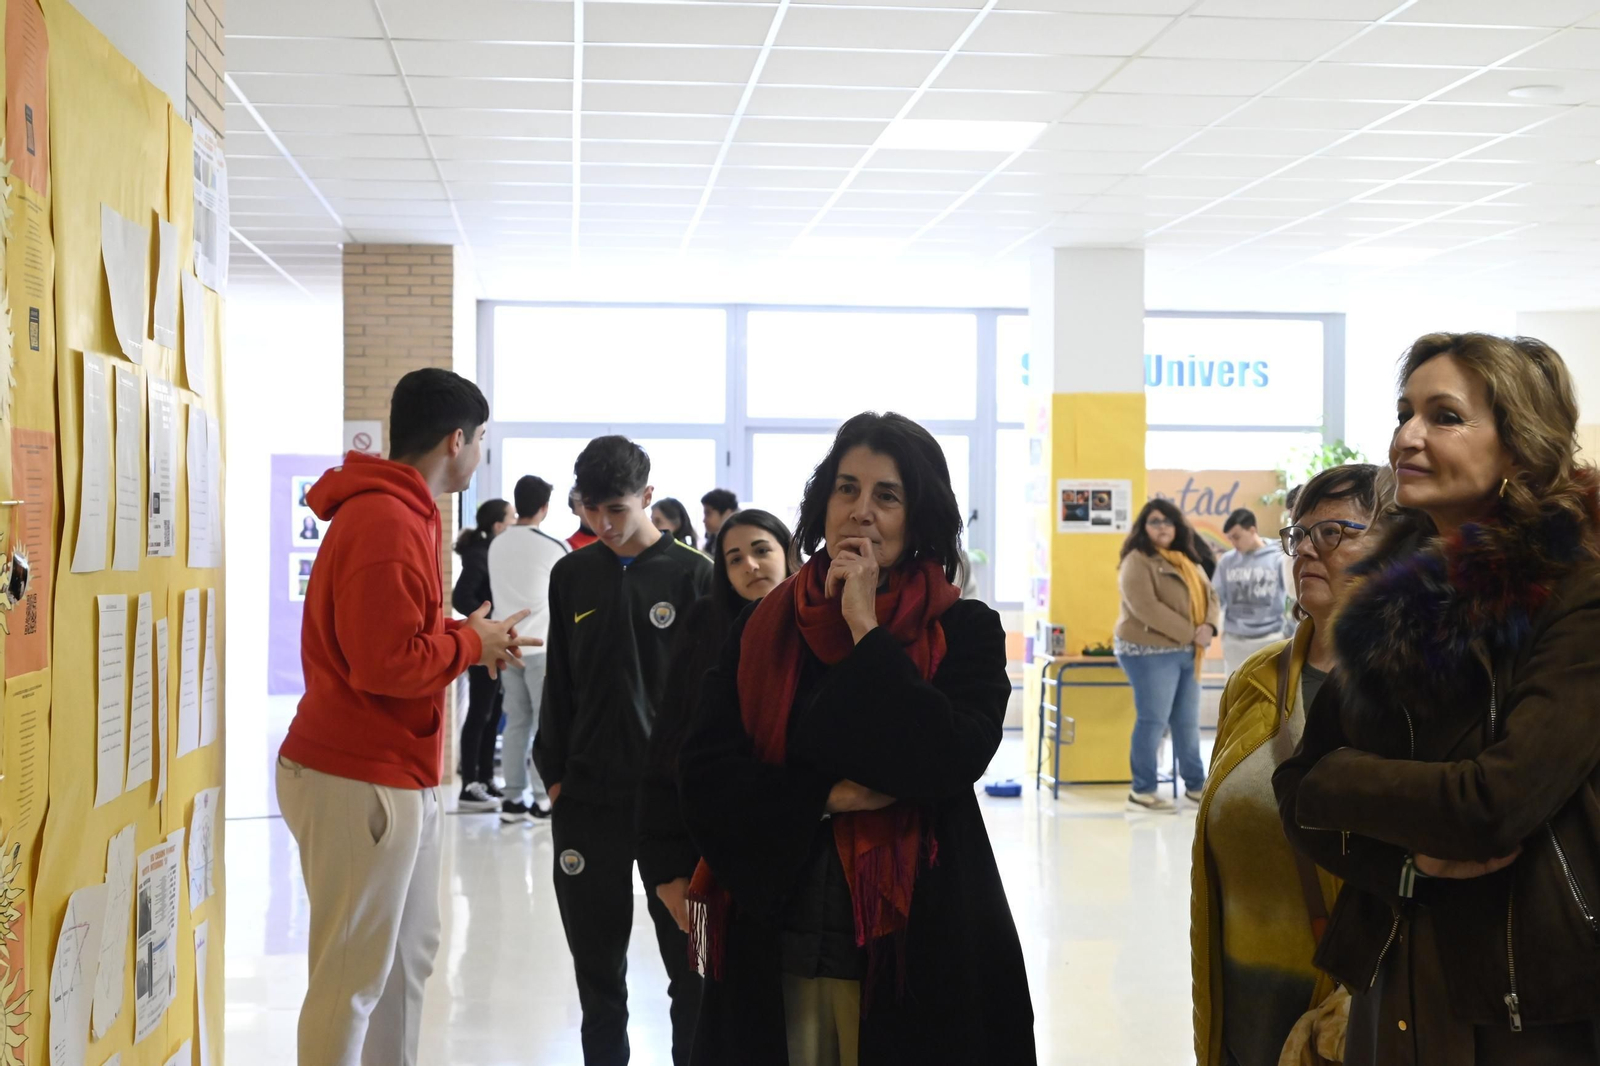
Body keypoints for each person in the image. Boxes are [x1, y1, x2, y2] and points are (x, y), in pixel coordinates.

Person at [1276, 333, 1600, 1064]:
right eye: (1404, 412)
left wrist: (1343, 780)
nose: (1407, 438)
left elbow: (1496, 804)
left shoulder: (1577, 599)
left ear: (1519, 447)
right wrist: (1409, 862)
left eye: (1444, 416)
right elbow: (1297, 790)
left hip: (1526, 996)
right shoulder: (1391, 606)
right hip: (1394, 971)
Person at [679, 411, 1035, 1066]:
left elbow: (950, 757)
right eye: (847, 489)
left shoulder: (966, 630)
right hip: (775, 942)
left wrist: (866, 627)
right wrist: (822, 795)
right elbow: (705, 774)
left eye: (887, 495)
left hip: (915, 957)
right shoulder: (765, 626)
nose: (861, 511)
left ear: (918, 515)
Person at [276, 368, 539, 1066]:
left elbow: (400, 635)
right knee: (352, 978)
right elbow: (382, 663)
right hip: (355, 771)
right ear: (457, 439)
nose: (480, 452)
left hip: (397, 768)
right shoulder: (387, 517)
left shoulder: (408, 511)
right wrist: (466, 642)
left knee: (406, 958)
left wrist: (467, 638)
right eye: (481, 439)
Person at [1192, 465, 1396, 1066]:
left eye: (1334, 531)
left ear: (1398, 547)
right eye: (1299, 534)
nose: (1306, 548)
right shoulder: (1255, 682)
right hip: (1241, 1006)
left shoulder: (1415, 689)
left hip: (1350, 1017)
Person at [534, 435, 713, 1066]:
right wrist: (554, 774)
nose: (603, 525)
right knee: (598, 976)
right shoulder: (571, 573)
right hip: (588, 799)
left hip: (672, 809)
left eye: (617, 510)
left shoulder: (696, 575)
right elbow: (560, 682)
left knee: (690, 973)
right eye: (590, 510)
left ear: (648, 498)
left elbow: (713, 697)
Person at [637, 508, 797, 956]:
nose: (750, 565)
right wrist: (667, 871)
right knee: (698, 989)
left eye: (762, 550)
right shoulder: (708, 625)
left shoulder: (817, 626)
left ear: (787, 553)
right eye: (734, 558)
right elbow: (670, 744)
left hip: (792, 858)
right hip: (702, 860)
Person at [1115, 498, 1220, 813]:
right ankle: (1142, 790)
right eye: (1155, 521)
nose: (1162, 527)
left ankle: (1195, 785)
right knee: (1154, 720)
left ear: (1177, 526)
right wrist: (1193, 633)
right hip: (1148, 651)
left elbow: (1211, 596)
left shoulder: (1187, 558)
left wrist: (1210, 628)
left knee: (1187, 722)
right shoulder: (1137, 560)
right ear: (1144, 528)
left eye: (1168, 521)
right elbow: (1145, 607)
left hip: (1188, 650)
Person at [488, 475, 569, 823]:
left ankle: (511, 799)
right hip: (541, 647)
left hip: (507, 647)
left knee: (516, 724)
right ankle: (541, 799)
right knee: (543, 725)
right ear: (544, 508)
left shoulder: (497, 543)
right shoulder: (553, 546)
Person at [451, 497, 513, 812]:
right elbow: (462, 596)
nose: (515, 524)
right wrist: (485, 623)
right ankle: (469, 784)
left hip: (496, 643)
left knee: (493, 712)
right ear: (498, 525)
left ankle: (486, 778)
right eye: (511, 519)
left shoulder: (496, 554)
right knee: (479, 712)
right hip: (482, 645)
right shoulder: (479, 555)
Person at [1212, 507, 1289, 677]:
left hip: (1270, 639)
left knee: (1269, 696)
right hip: (1235, 640)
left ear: (1252, 530)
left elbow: (1293, 596)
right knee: (1235, 697)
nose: (1233, 543)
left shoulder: (1278, 557)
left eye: (1237, 537)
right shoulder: (1227, 561)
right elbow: (1216, 598)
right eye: (1230, 538)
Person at [568, 486, 599, 551]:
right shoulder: (569, 546)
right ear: (574, 510)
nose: (592, 507)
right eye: (583, 504)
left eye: (595, 501)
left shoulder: (618, 540)